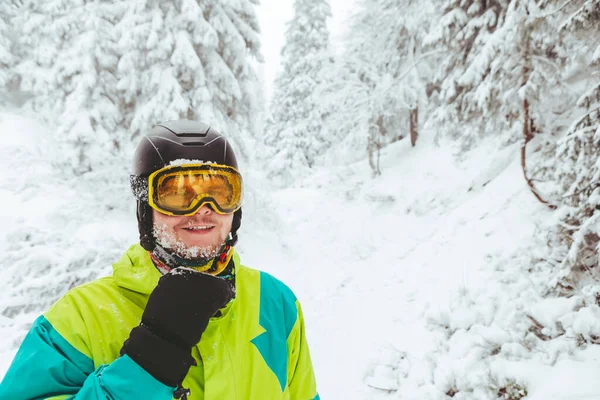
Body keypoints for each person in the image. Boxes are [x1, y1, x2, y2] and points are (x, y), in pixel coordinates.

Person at [0, 120, 320, 399]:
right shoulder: (78, 319)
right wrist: (148, 363)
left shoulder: (276, 304)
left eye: (220, 191)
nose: (203, 208)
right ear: (145, 210)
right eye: (178, 193)